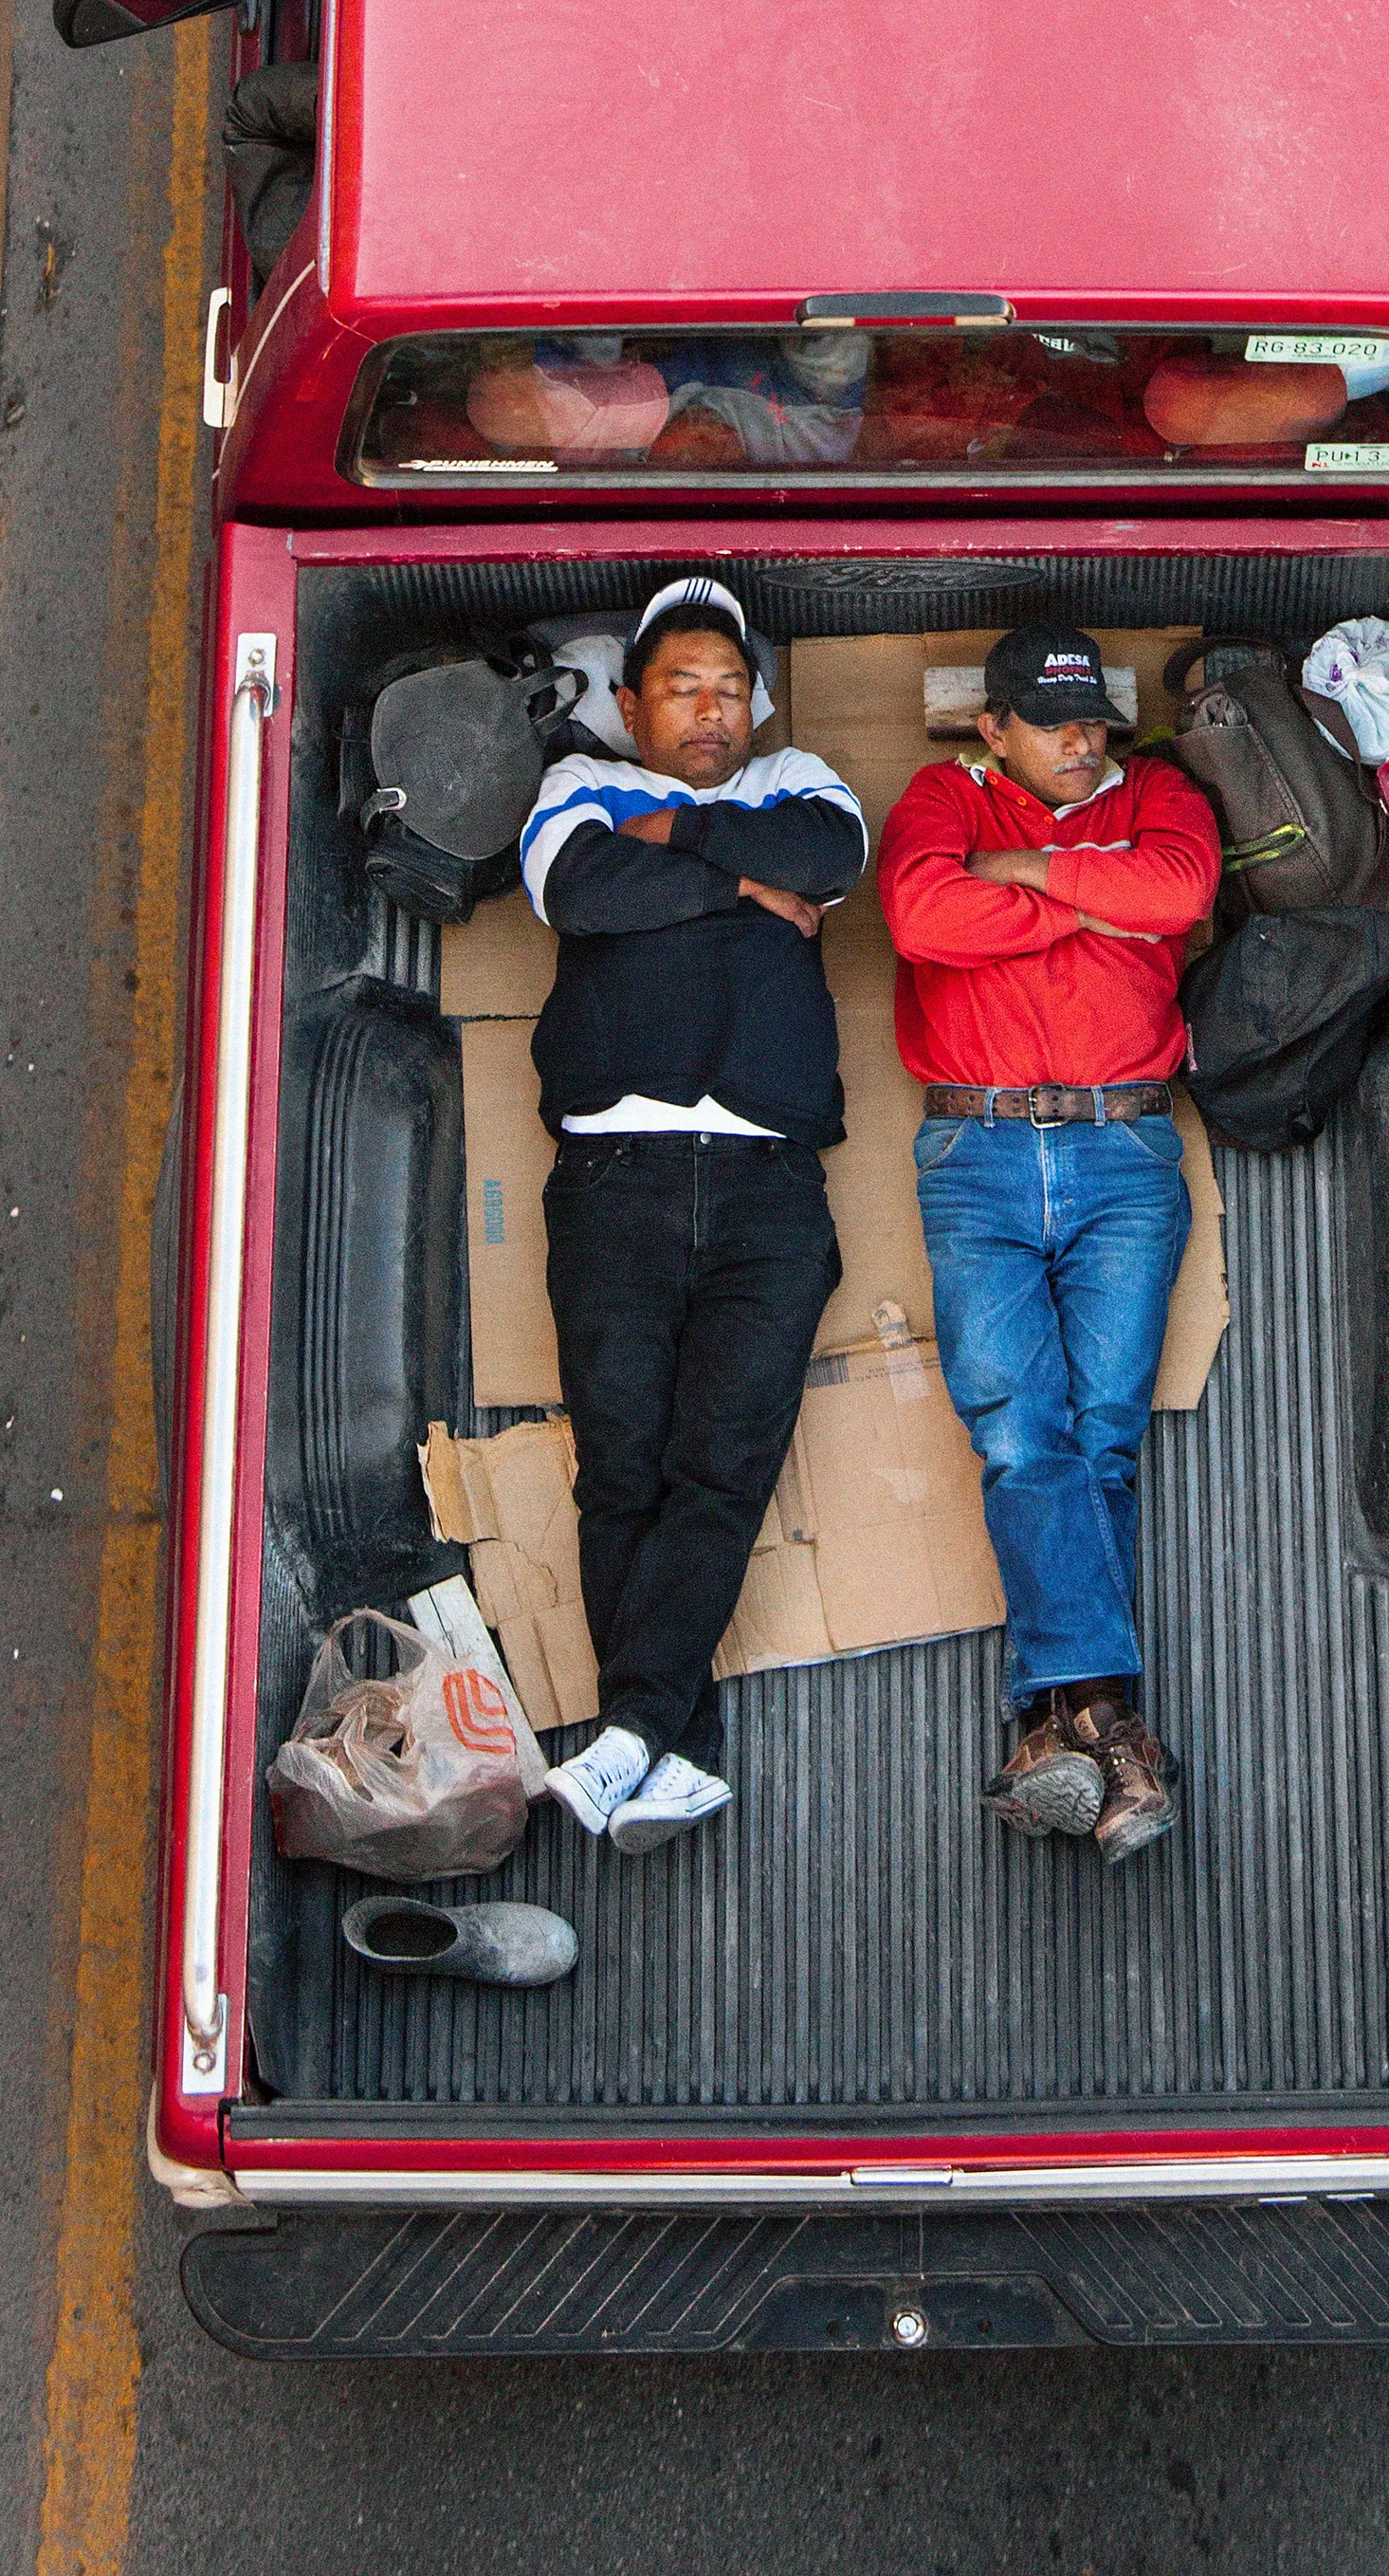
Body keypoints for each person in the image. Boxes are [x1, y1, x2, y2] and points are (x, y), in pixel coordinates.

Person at [518, 576, 868, 1854]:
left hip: (771, 1188)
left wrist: (678, 849)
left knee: (721, 1469)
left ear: (758, 702)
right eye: (680, 686)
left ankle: (636, 1741)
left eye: (729, 686)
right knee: (621, 1471)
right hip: (618, 1178)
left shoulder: (802, 778)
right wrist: (740, 893)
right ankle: (666, 1751)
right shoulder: (575, 791)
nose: (709, 708)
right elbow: (580, 893)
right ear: (631, 704)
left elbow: (827, 859)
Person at [877, 626, 1221, 1862]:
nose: (1084, 744)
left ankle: (1053, 1725)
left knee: (1102, 1441)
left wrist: (1021, 877)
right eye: (1055, 724)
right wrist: (1088, 895)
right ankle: (1107, 1728)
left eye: (1094, 724)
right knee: (1023, 1431)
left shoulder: (1160, 793)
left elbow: (1176, 891)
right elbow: (921, 917)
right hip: (975, 1161)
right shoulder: (939, 796)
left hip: (1124, 1156)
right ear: (996, 731)